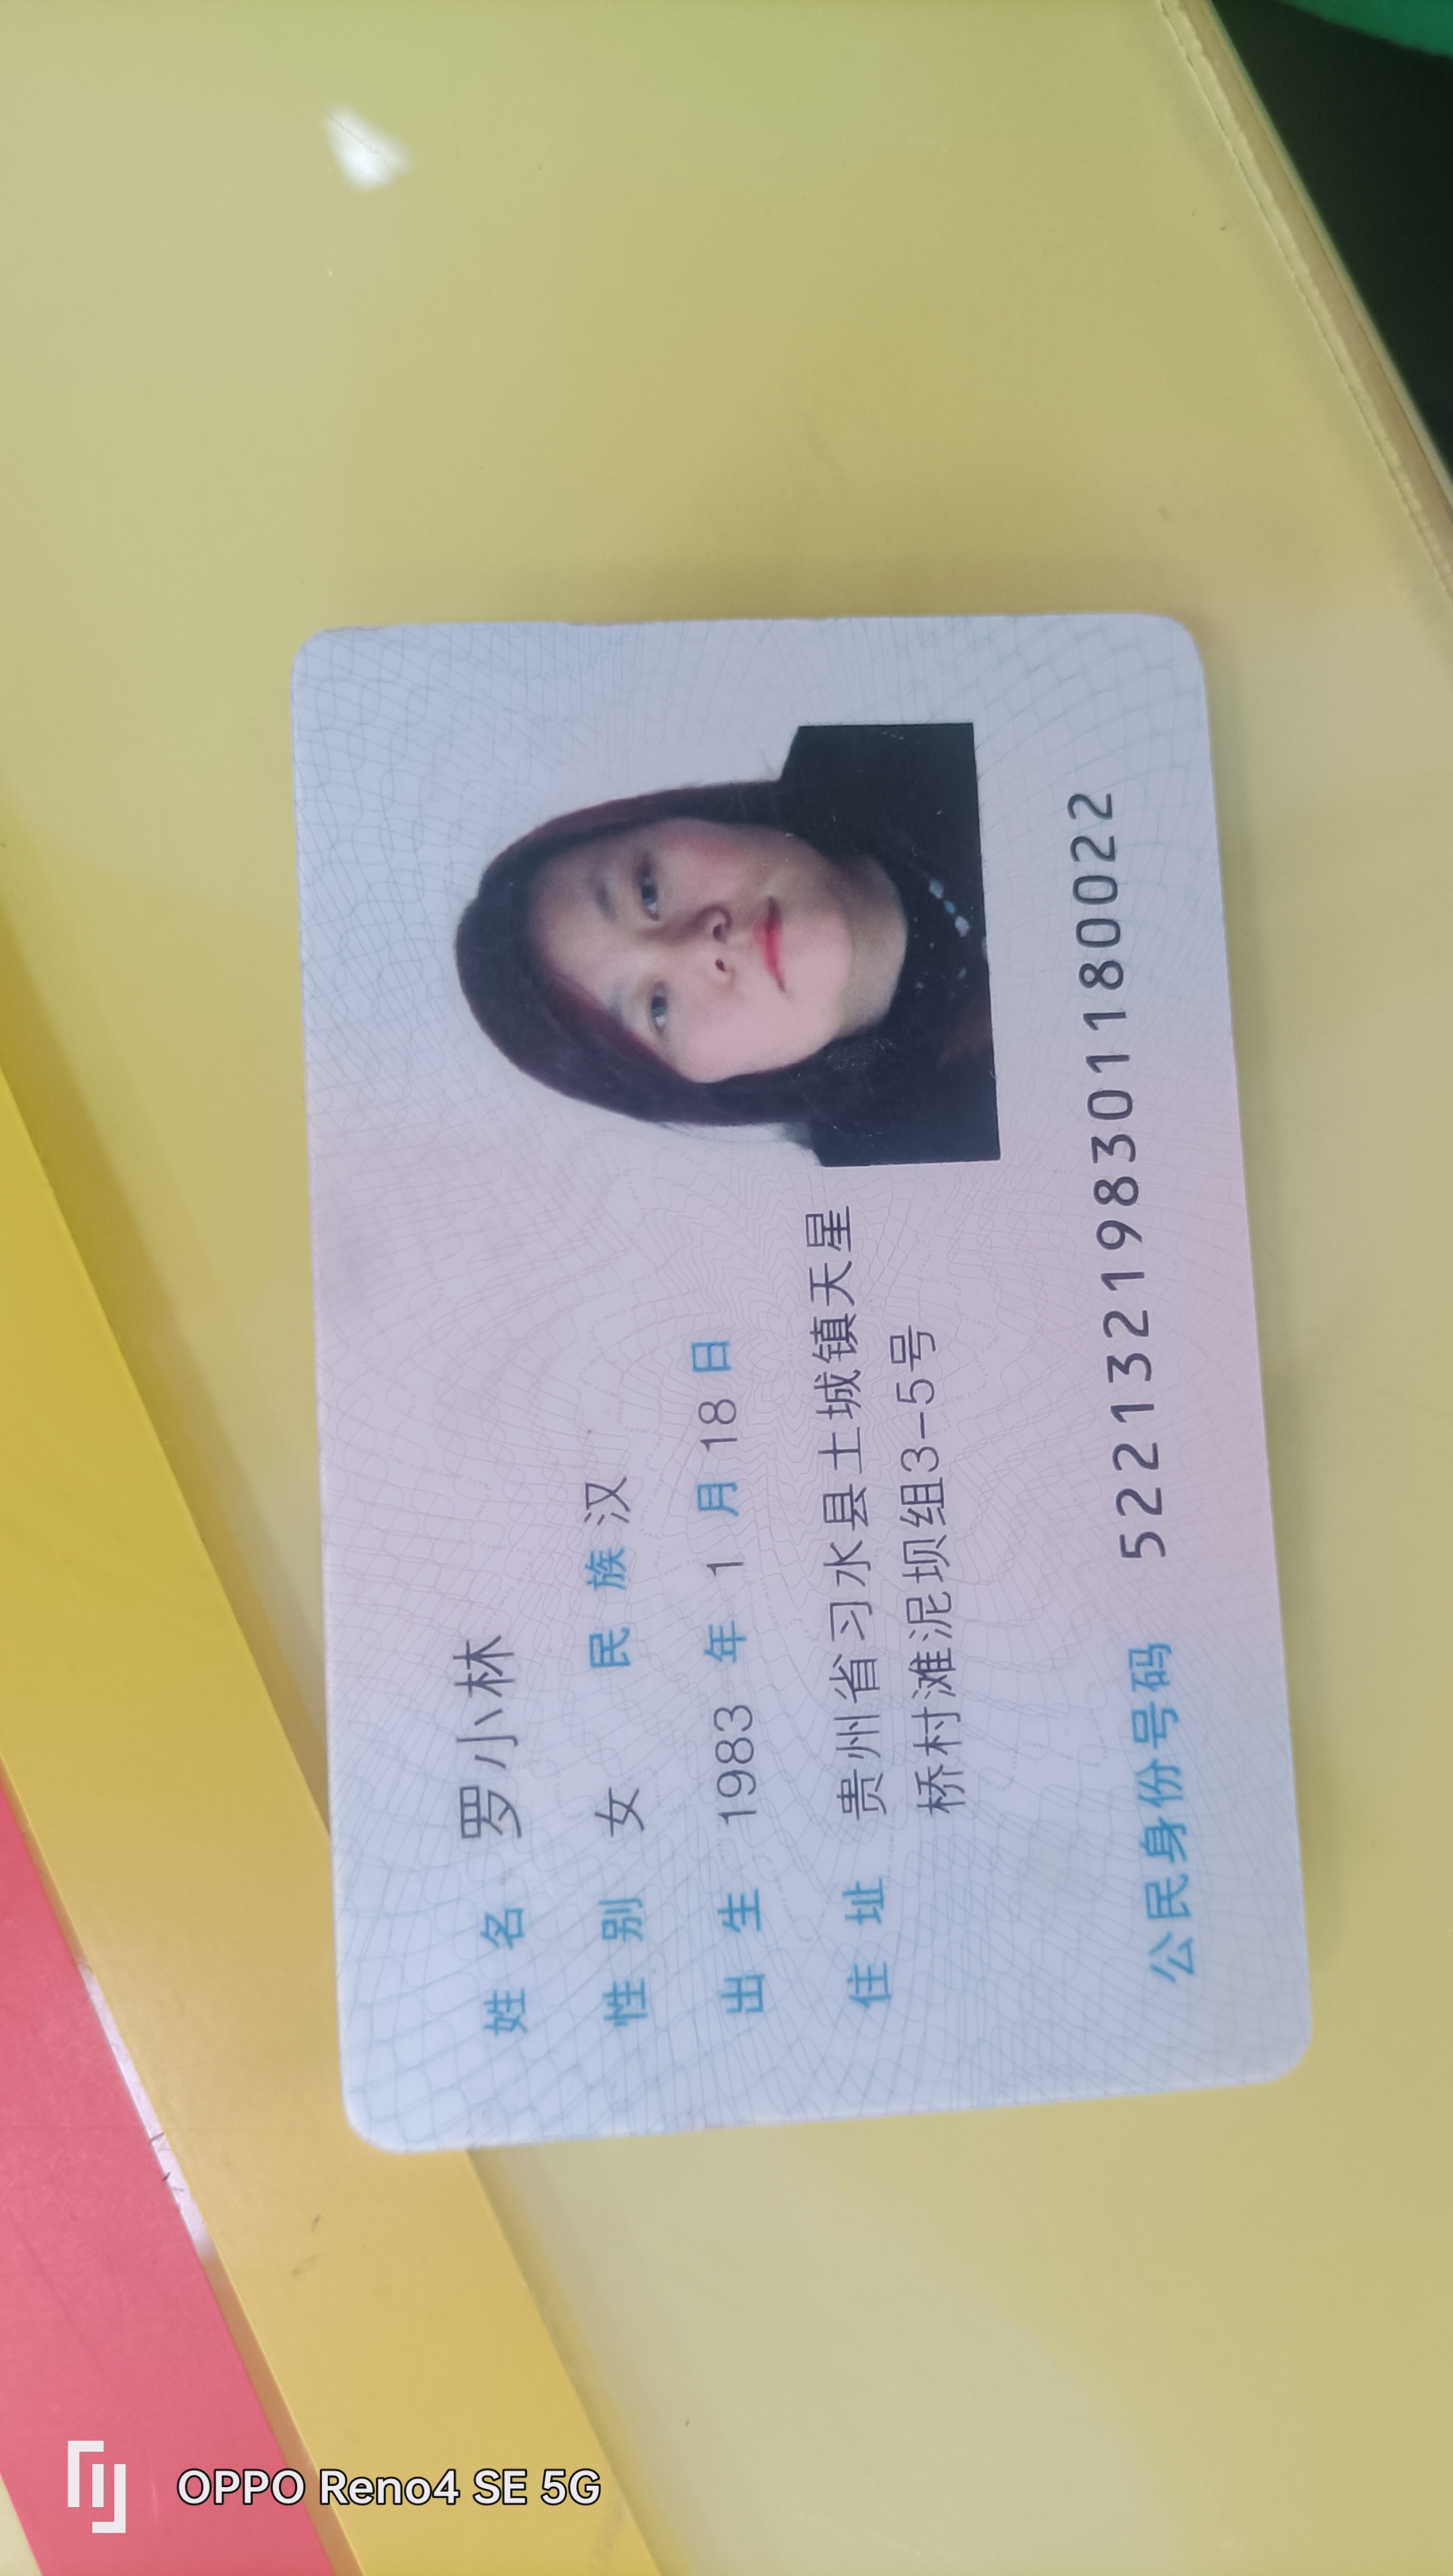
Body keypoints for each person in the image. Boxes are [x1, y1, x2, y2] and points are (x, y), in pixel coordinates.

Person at [455, 723, 998, 1166]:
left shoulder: (887, 728)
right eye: (657, 1009)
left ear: (671, 818)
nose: (699, 947)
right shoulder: (900, 1163)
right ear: (696, 1086)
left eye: (647, 892)